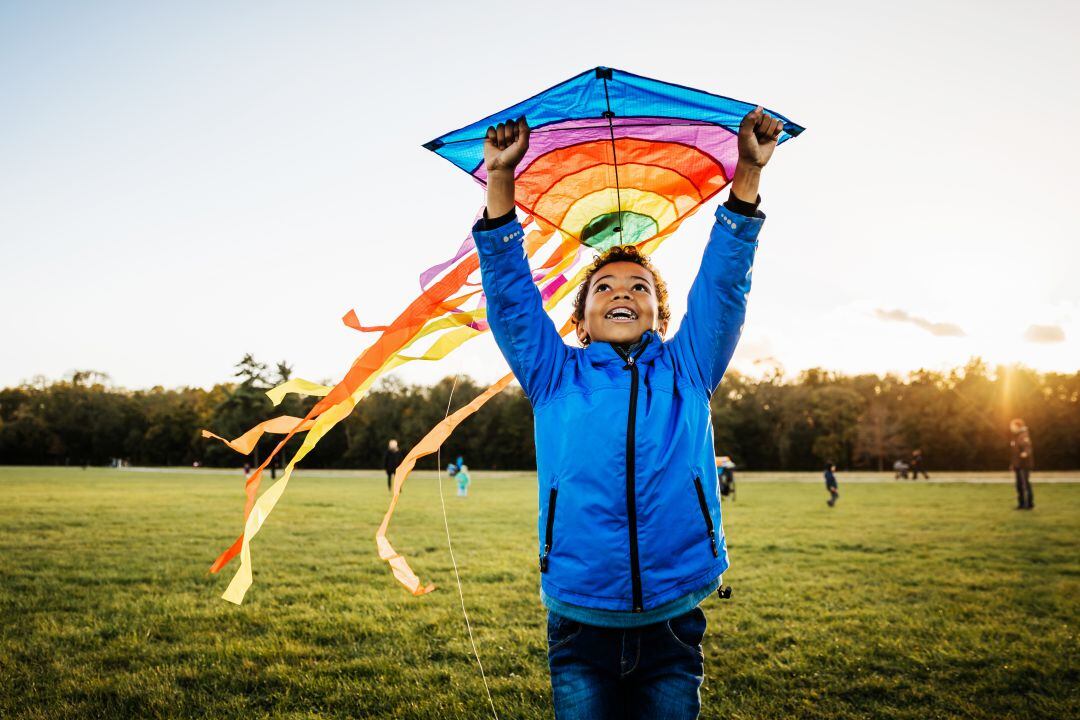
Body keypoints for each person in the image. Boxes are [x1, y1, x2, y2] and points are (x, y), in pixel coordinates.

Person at [474, 105, 783, 718]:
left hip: (673, 621)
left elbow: (724, 285)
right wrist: (501, 181)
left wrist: (747, 173)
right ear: (579, 316)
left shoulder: (689, 368)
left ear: (661, 317)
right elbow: (510, 295)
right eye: (606, 286)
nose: (622, 292)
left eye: (639, 286)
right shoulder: (552, 374)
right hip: (579, 622)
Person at [1009, 418, 1034, 510]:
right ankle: (1021, 504)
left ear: (1017, 426)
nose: (1011, 428)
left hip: (1024, 465)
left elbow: (1028, 447)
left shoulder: (1024, 435)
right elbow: (1014, 452)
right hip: (1018, 465)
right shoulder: (1016, 436)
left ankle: (1029, 504)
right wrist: (1013, 464)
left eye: (1012, 426)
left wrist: (1026, 453)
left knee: (1025, 484)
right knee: (1019, 485)